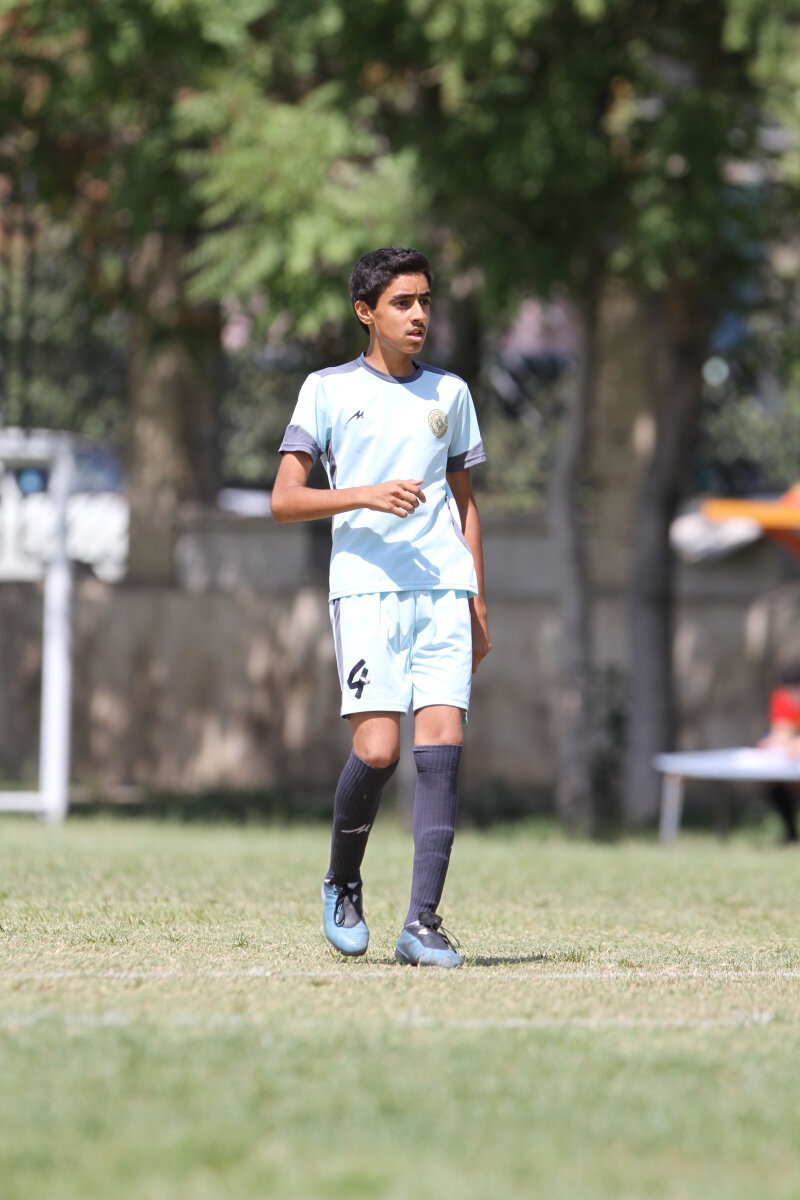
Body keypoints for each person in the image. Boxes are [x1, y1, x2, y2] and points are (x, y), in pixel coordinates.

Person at [271, 246, 491, 967]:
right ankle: (342, 879)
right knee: (378, 751)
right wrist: (365, 494)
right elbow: (284, 500)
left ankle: (422, 923)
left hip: (444, 592)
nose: (419, 314)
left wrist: (476, 601)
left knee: (442, 751)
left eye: (425, 300)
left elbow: (465, 504)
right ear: (366, 312)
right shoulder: (327, 389)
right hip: (366, 591)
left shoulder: (451, 393)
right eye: (403, 302)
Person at [759, 662, 800, 843]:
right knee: (771, 782)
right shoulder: (782, 697)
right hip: (790, 761)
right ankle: (791, 833)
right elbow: (781, 732)